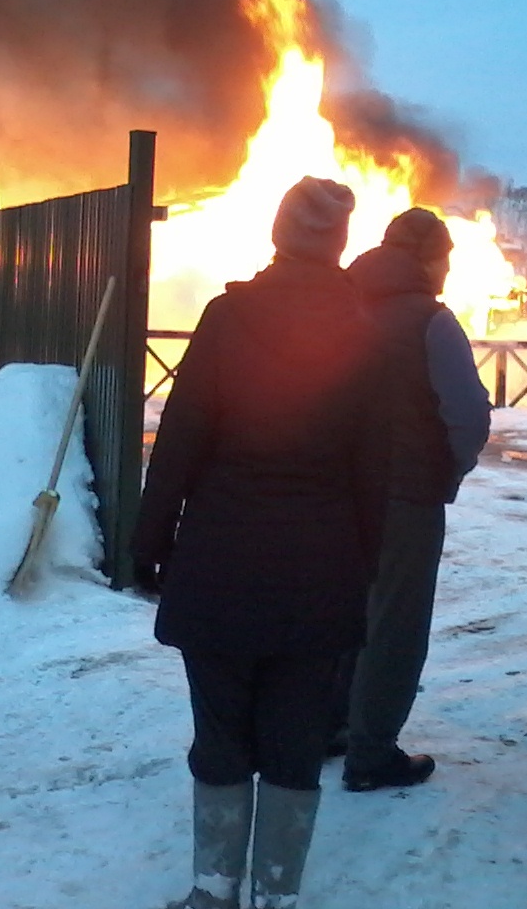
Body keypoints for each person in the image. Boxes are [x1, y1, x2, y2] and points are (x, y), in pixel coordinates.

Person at [132, 176, 386, 909]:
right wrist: (360, 563)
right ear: (340, 243)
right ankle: (278, 896)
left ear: (278, 234)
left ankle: (214, 891)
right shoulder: (364, 334)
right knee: (297, 739)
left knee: (220, 730)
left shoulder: (228, 316)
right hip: (320, 565)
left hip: (221, 558)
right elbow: (377, 466)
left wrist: (149, 541)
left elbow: (181, 438)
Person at [335, 208, 491, 792]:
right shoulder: (432, 320)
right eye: (447, 258)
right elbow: (469, 415)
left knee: (341, 610)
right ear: (429, 257)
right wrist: (448, 469)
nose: (448, 271)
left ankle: (332, 725)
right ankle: (371, 752)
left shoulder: (341, 303)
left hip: (339, 491)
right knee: (395, 622)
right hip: (406, 494)